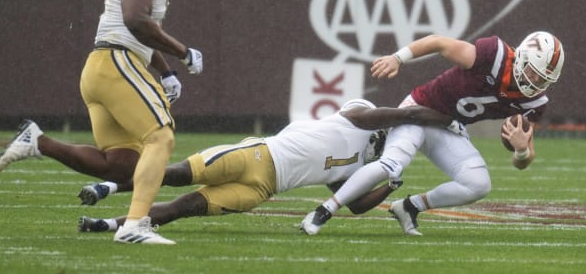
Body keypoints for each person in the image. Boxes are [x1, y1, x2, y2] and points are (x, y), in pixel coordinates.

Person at [0, 0, 201, 245]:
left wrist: (165, 72)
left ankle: (39, 141)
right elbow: (136, 20)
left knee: (120, 166)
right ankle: (135, 225)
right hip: (117, 63)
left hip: (102, 67)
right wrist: (183, 52)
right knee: (160, 137)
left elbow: (132, 28)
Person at [300, 31, 565, 236]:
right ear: (521, 57)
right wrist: (397, 58)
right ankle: (323, 211)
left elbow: (523, 161)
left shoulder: (534, 103)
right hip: (418, 110)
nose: (536, 82)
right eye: (533, 72)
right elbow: (440, 43)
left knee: (478, 183)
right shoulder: (493, 56)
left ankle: (410, 207)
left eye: (543, 79)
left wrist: (520, 150)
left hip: (448, 126)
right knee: (391, 166)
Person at [76, 99, 454, 233]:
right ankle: (108, 188)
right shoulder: (354, 119)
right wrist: (445, 118)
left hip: (263, 189)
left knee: (184, 208)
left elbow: (352, 204)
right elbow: (403, 112)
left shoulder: (361, 164)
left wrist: (390, 184)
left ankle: (106, 225)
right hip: (258, 155)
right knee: (176, 174)